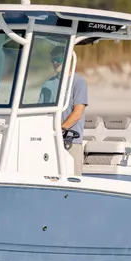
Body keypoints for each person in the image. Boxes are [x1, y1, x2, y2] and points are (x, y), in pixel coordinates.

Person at [38, 45, 88, 175]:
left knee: (74, 180)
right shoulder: (47, 84)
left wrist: (60, 129)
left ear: (67, 60)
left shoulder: (79, 82)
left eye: (59, 59)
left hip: (71, 142)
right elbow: (41, 112)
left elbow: (77, 113)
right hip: (51, 141)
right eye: (53, 60)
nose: (55, 62)